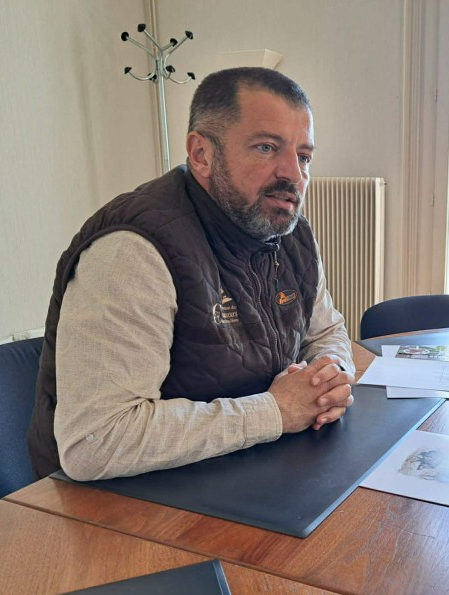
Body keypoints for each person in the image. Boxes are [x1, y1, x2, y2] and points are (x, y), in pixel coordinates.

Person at [27, 68, 355, 481]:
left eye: (304, 156)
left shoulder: (289, 233)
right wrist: (276, 411)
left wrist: (327, 378)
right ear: (202, 154)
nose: (293, 174)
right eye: (266, 147)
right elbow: (96, 442)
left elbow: (326, 330)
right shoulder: (133, 250)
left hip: (242, 469)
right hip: (119, 499)